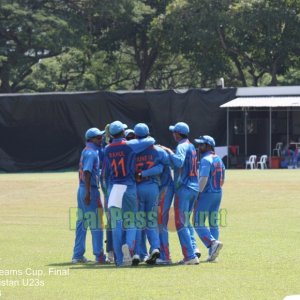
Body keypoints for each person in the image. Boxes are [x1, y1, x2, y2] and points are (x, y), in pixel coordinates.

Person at [101, 120, 156, 266]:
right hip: (129, 186)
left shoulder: (107, 148)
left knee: (116, 224)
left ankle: (119, 259)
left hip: (114, 187)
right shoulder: (130, 145)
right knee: (131, 221)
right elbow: (151, 140)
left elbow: (105, 172)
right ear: (123, 132)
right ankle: (129, 250)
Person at [159, 122, 200, 265]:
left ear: (178, 133)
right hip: (194, 187)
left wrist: (169, 151)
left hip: (184, 187)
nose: (173, 134)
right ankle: (193, 251)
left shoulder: (181, 146)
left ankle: (190, 256)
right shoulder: (191, 145)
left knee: (180, 223)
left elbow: (179, 162)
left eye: (174, 132)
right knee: (186, 222)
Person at [133, 123, 169, 265]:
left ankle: (137, 253)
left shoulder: (131, 150)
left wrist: (141, 173)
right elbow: (163, 166)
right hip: (153, 187)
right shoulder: (158, 150)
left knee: (138, 222)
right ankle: (154, 248)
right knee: (151, 221)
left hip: (137, 188)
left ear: (135, 135)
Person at [72, 128, 106, 264]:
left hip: (81, 189)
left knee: (81, 223)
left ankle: (77, 255)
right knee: (97, 222)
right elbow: (86, 172)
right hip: (89, 190)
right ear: (91, 139)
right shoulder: (92, 153)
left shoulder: (86, 150)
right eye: (98, 137)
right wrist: (88, 192)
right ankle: (99, 256)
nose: (101, 139)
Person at [193, 135, 225, 262]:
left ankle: (212, 243)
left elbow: (203, 178)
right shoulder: (219, 159)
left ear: (209, 146)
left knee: (197, 222)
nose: (199, 147)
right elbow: (223, 179)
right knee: (213, 223)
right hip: (218, 192)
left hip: (207, 193)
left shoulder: (206, 160)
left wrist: (198, 194)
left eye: (202, 144)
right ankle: (213, 254)